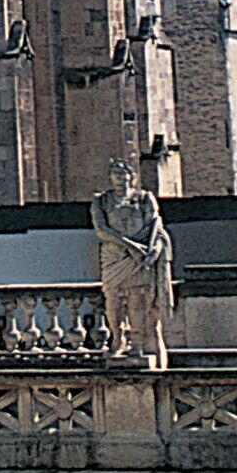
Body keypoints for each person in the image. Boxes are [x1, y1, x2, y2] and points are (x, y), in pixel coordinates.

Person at [90, 155, 175, 363]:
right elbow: (102, 231)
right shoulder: (101, 201)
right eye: (115, 173)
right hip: (115, 256)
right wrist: (131, 246)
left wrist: (151, 247)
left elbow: (155, 222)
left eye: (124, 173)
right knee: (113, 301)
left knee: (137, 301)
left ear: (132, 176)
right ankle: (117, 340)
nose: (119, 178)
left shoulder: (144, 198)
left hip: (140, 258)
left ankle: (137, 344)